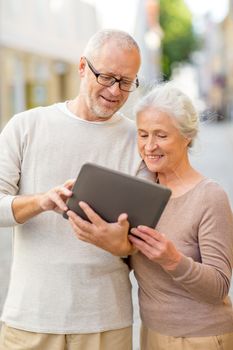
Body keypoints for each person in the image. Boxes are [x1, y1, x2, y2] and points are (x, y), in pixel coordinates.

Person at [0, 29, 150, 350]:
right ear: (82, 67)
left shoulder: (138, 140)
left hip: (104, 322)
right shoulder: (26, 126)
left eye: (126, 82)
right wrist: (40, 201)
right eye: (107, 77)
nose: (115, 91)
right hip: (31, 318)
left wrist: (121, 244)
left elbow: (142, 236)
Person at [68, 82, 233, 350]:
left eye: (161, 135)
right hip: (151, 333)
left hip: (201, 337)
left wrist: (173, 260)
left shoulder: (210, 196)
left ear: (186, 136)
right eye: (143, 135)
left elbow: (219, 287)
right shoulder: (140, 191)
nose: (150, 146)